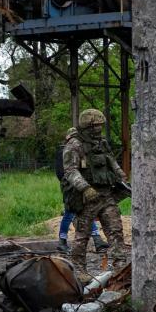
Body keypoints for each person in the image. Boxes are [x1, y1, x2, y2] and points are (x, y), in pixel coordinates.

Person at [61, 109, 128, 271]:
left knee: (115, 230)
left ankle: (119, 267)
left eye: (100, 125)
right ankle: (79, 270)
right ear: (87, 126)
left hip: (106, 195)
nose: (99, 129)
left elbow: (111, 161)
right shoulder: (75, 145)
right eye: (95, 126)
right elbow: (70, 171)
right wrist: (85, 188)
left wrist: (121, 176)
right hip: (86, 198)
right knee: (82, 236)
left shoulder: (101, 143)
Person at [55, 127, 106, 254]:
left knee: (88, 211)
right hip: (71, 188)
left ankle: (97, 239)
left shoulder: (80, 150)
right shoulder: (65, 150)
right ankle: (62, 242)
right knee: (69, 213)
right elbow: (64, 172)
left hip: (81, 185)